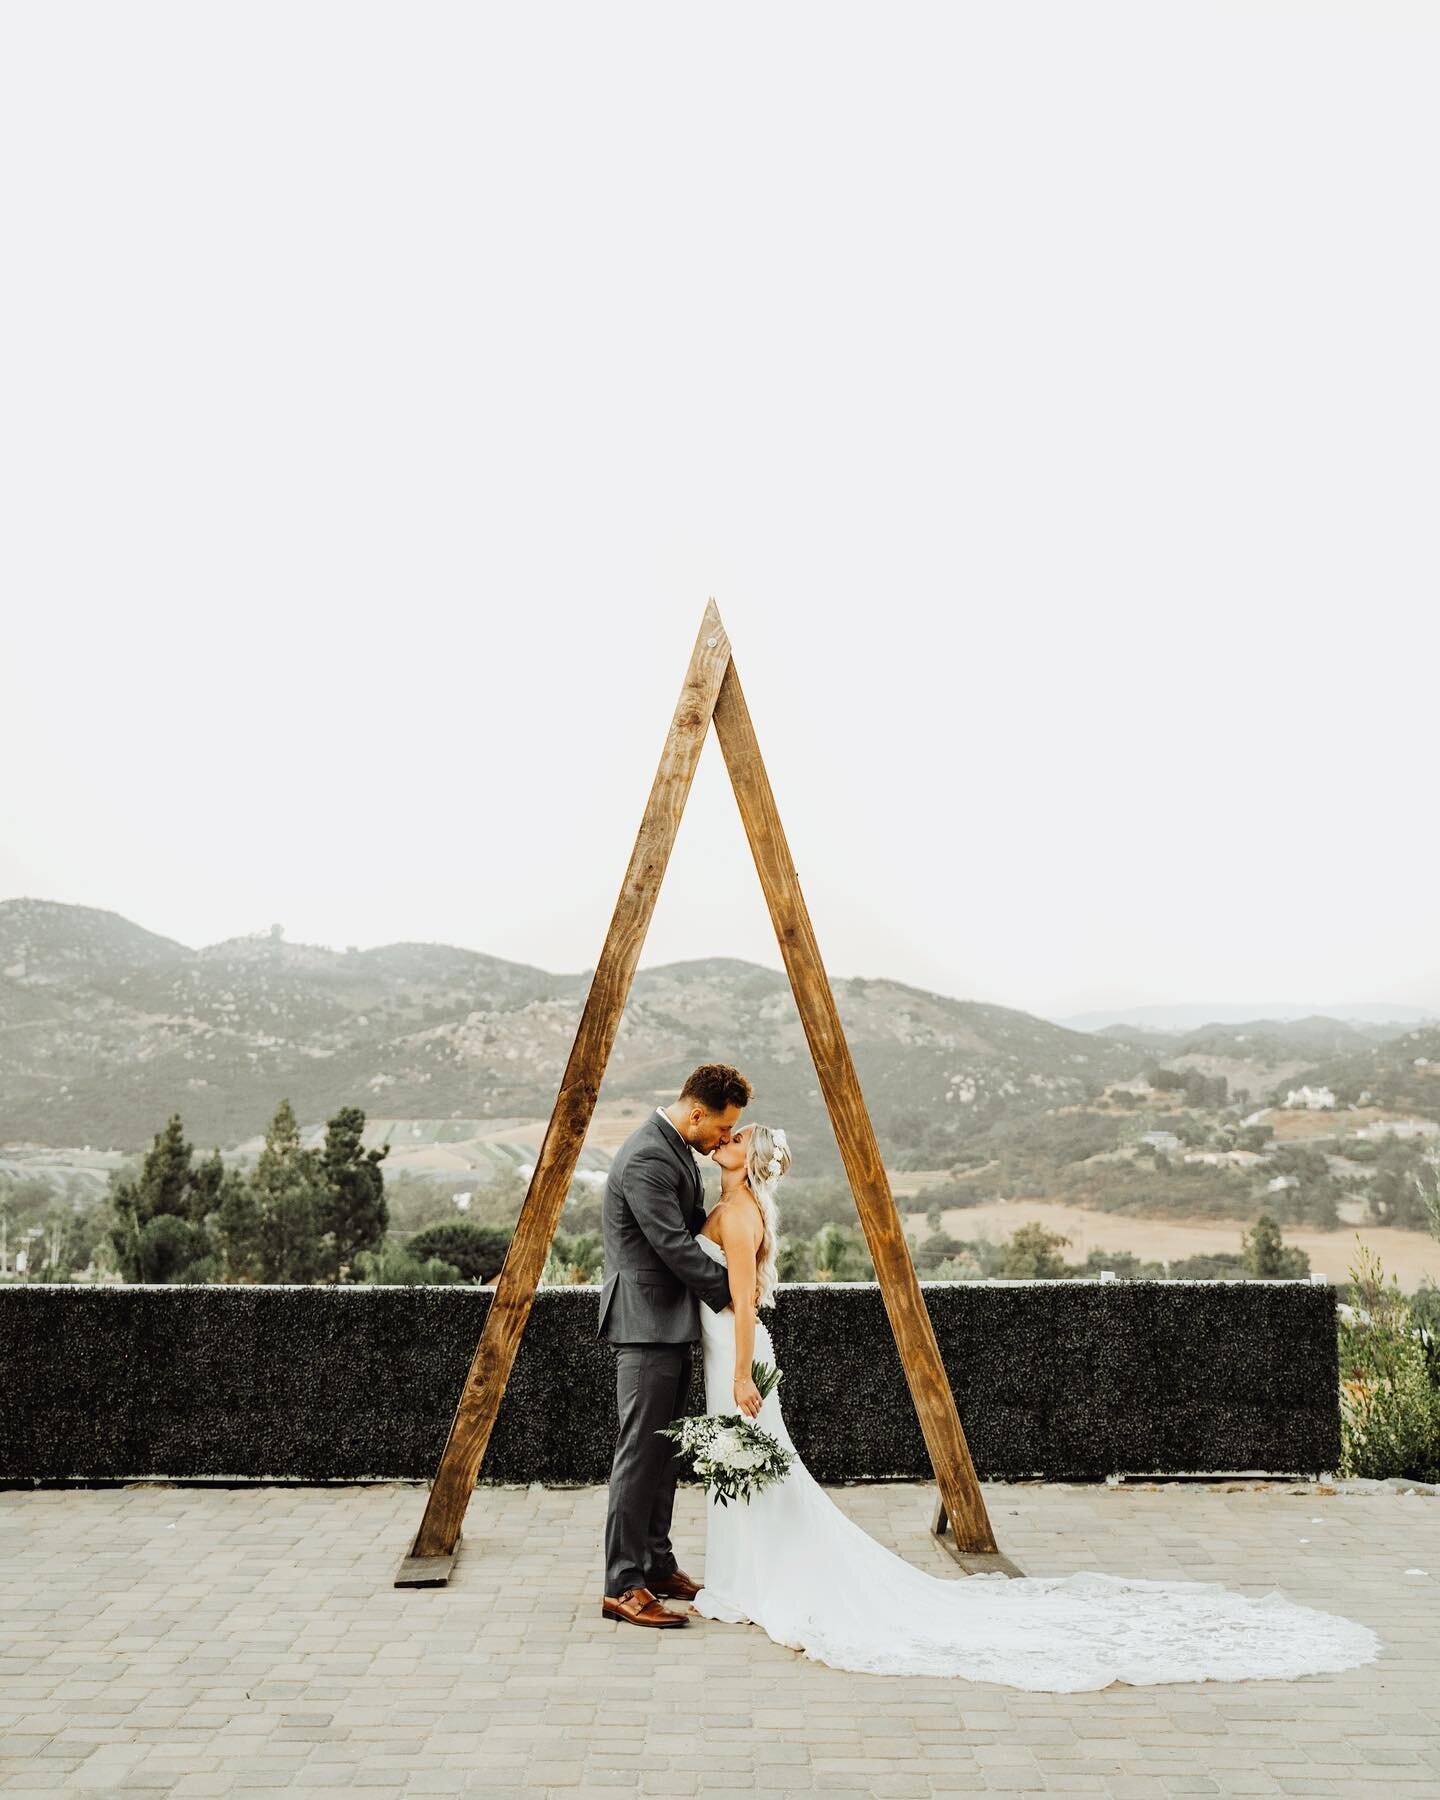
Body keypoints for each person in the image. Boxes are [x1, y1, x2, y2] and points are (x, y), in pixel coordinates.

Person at [687, 1123, 1385, 1690]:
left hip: (739, 1354)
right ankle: (748, 1575)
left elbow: (743, 1299)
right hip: (729, 1350)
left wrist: (746, 1372)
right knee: (760, 1471)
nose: (727, 1138)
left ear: (751, 1165)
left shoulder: (741, 1215)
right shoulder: (729, 1205)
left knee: (762, 1468)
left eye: (738, 1137)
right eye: (726, 1133)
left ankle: (756, 1580)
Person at [597, 1061, 751, 1628]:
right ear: (695, 1112)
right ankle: (622, 1584)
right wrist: (734, 1294)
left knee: (663, 1453)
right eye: (720, 1128)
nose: (723, 1139)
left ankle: (658, 1566)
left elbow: (693, 1231)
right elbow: (671, 1244)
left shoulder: (676, 1149)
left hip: (671, 1321)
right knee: (638, 1455)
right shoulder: (646, 1157)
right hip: (644, 1325)